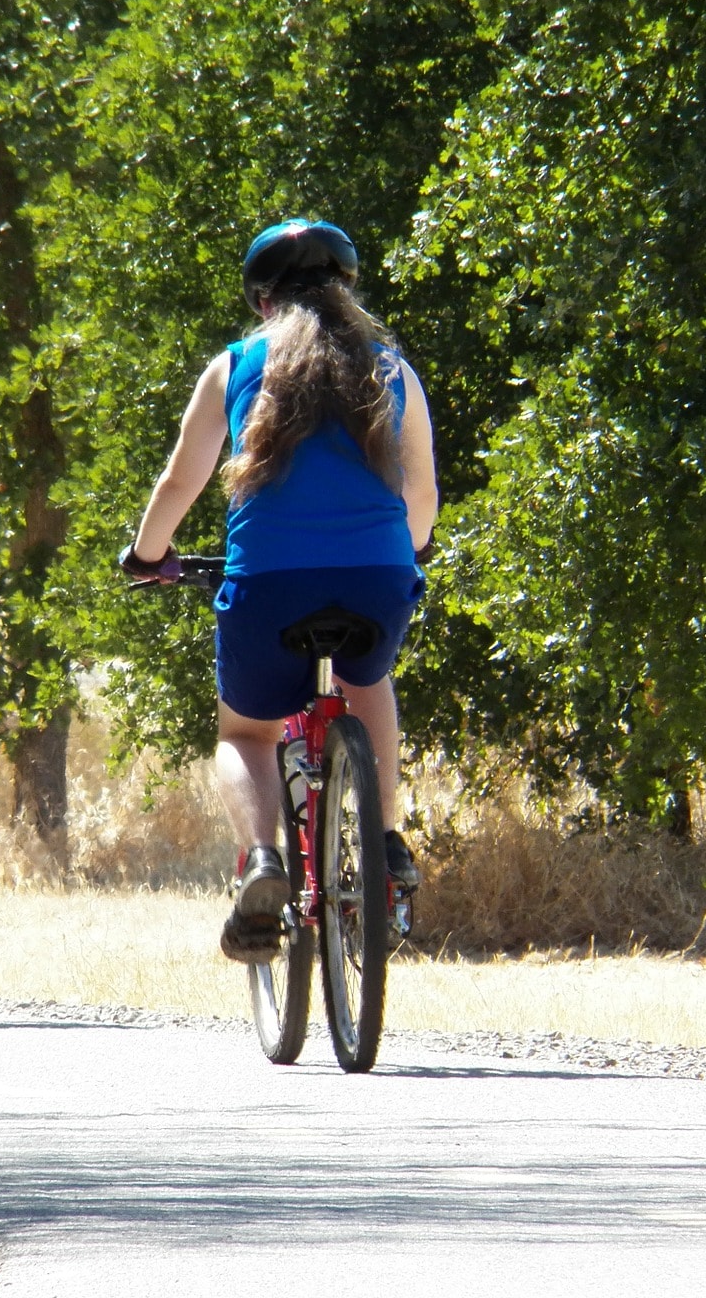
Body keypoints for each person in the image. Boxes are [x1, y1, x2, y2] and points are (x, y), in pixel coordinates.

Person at [122, 219, 438, 963]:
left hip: (268, 580)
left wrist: (147, 554)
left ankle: (262, 859)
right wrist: (409, 547)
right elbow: (421, 488)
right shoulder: (392, 366)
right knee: (372, 676)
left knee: (245, 732)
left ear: (264, 302)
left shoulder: (234, 365)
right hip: (377, 575)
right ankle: (386, 840)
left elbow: (181, 481)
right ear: (345, 293)